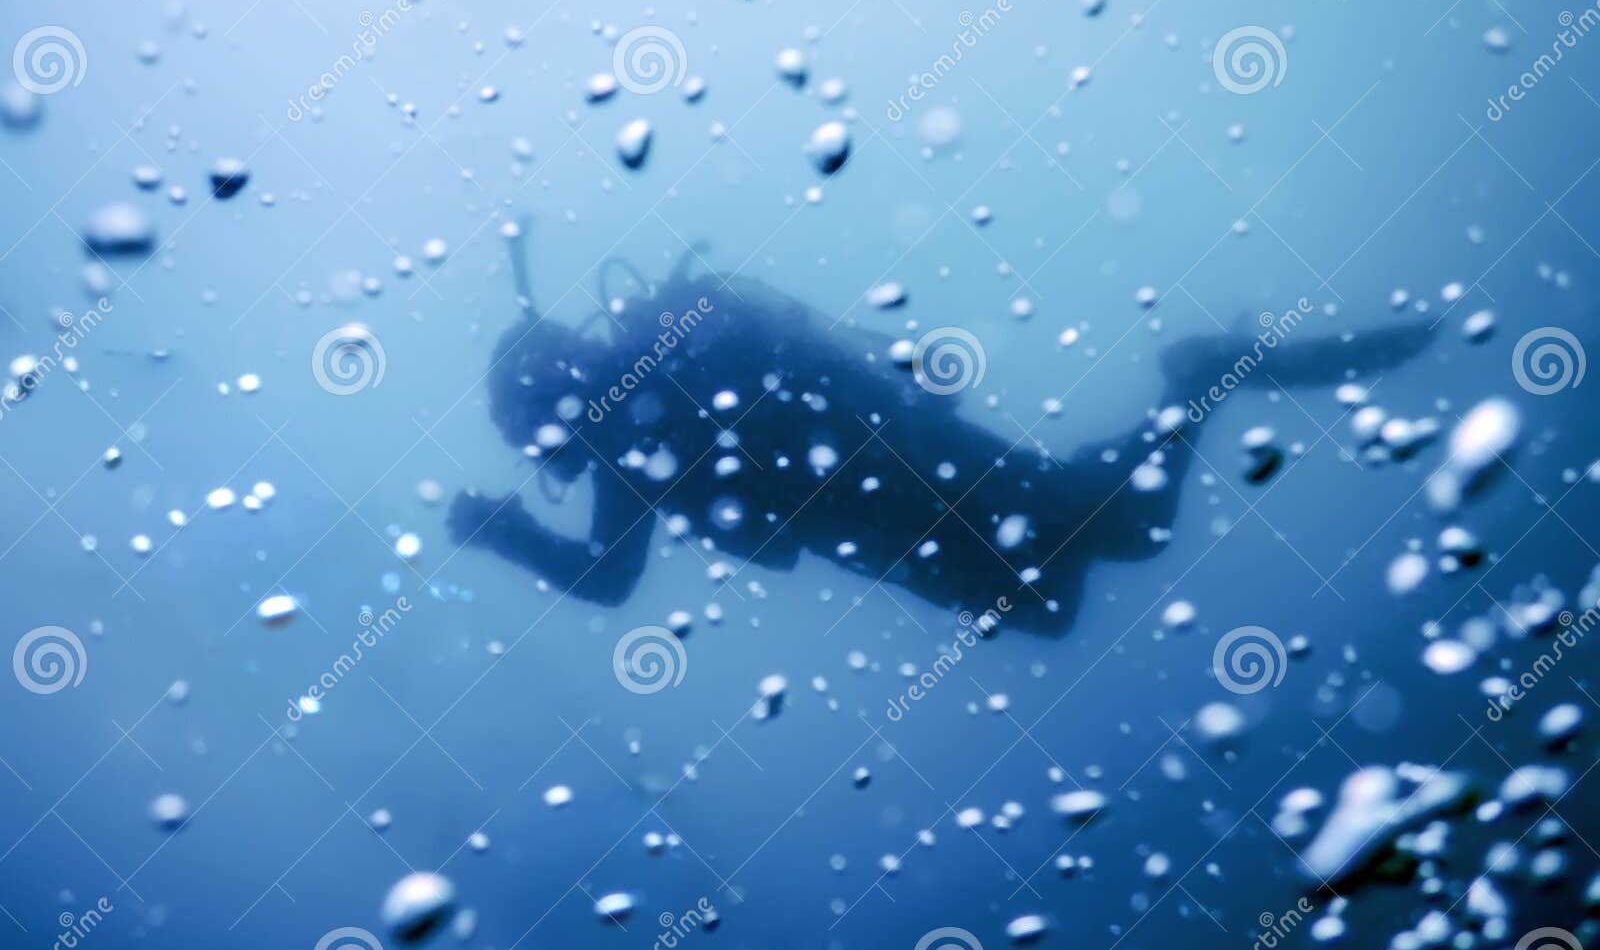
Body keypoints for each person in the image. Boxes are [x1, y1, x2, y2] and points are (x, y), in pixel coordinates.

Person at [450, 226, 1433, 637]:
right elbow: (614, 573)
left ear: (555, 401)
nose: (548, 459)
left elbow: (609, 576)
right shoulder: (643, 405)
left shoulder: (635, 425)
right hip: (895, 493)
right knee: (1055, 599)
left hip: (906, 483)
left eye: (538, 438)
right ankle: (1195, 384)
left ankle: (1197, 377)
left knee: (1108, 539)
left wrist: (502, 530)